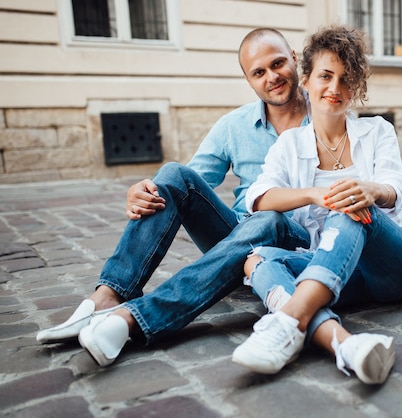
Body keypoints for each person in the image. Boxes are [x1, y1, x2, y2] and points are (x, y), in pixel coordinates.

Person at [35, 28, 313, 367]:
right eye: (259, 72)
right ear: (249, 80)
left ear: (294, 59)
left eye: (278, 63)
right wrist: (144, 192)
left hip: (294, 241)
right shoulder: (234, 125)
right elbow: (188, 184)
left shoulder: (326, 115)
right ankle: (110, 294)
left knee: (267, 219)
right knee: (171, 175)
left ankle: (138, 318)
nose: (272, 77)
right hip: (235, 235)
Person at [231, 26, 402, 384]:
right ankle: (346, 346)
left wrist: (371, 191)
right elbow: (259, 198)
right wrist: (314, 194)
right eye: (326, 76)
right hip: (339, 272)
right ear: (306, 79)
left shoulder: (376, 131)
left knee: (350, 205)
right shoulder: (288, 145)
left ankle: (287, 322)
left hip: (396, 264)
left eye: (346, 79)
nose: (335, 89)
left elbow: (396, 189)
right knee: (258, 259)